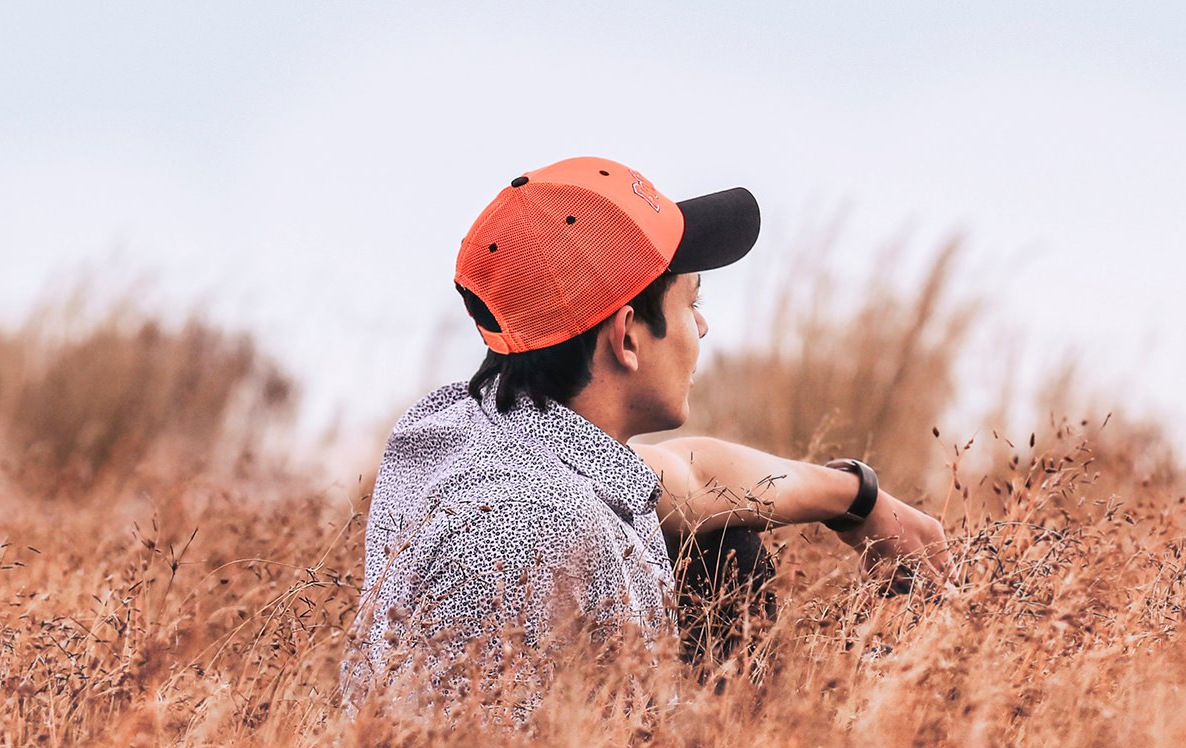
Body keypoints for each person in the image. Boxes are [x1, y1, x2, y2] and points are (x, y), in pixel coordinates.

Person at [349, 156, 949, 714]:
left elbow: (689, 479)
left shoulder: (454, 430)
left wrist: (856, 499)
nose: (704, 327)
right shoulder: (542, 527)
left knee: (717, 547)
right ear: (628, 336)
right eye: (692, 302)